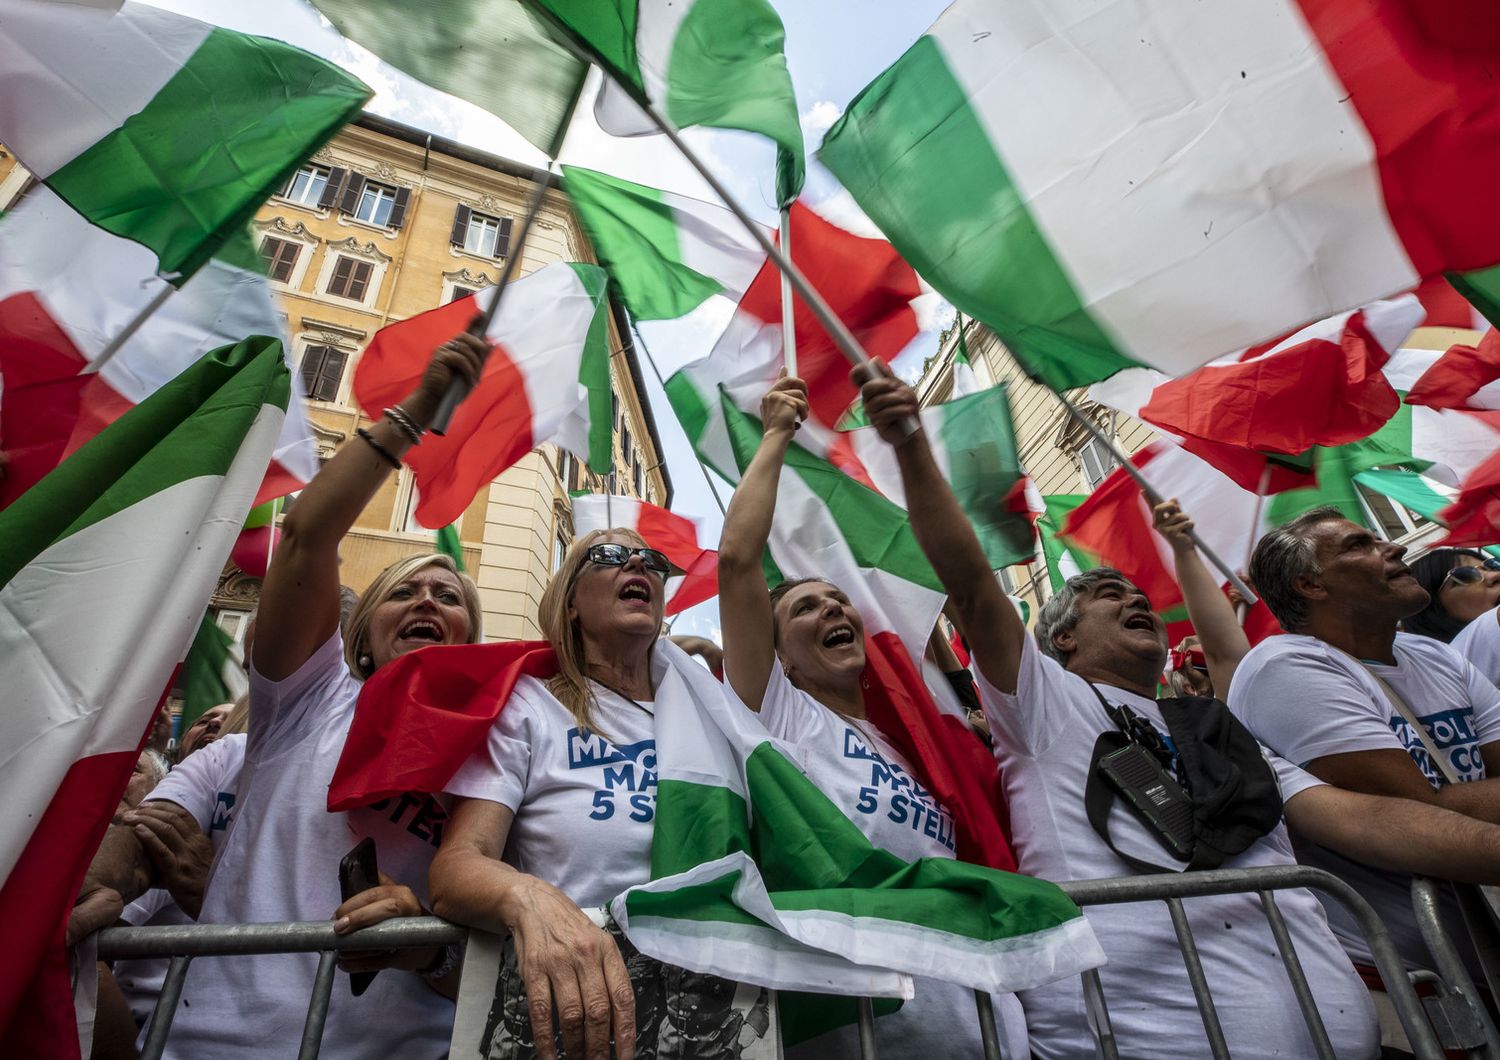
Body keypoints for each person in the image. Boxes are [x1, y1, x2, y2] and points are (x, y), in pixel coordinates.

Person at [858, 363, 1500, 1059]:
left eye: (1136, 592)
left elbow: (1364, 819)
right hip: (1145, 1033)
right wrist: (912, 447)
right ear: (1062, 638)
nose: (1134, 597)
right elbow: (975, 587)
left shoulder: (1213, 730)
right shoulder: (1045, 708)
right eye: (1107, 593)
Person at [70, 330, 491, 1057]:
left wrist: (424, 939)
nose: (427, 600)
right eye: (404, 593)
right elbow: (304, 537)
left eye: (448, 596)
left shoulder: (498, 737)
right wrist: (417, 411)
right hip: (213, 1041)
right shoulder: (309, 696)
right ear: (361, 635)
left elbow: (485, 948)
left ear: (470, 642)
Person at [712, 375, 1029, 1060]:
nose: (832, 609)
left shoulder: (909, 746)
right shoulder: (779, 714)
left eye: (838, 601)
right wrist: (775, 435)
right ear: (778, 658)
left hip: (979, 1024)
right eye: (805, 608)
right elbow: (737, 561)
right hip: (869, 1034)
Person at [431, 528, 771, 1060]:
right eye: (609, 555)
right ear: (570, 603)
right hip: (574, 1017)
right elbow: (455, 869)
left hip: (708, 1011)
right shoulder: (527, 708)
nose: (636, 561)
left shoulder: (712, 713)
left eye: (650, 558)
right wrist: (528, 899)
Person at [1231, 512, 1500, 1001]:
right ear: (1311, 585)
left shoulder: (1436, 655)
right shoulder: (1286, 666)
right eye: (1361, 545)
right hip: (1419, 987)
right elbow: (1416, 809)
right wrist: (1453, 799)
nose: (1393, 548)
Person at [1411, 549, 1500, 684]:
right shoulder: (1455, 663)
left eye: (1492, 566)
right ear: (1433, 609)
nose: (1494, 575)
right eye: (1465, 576)